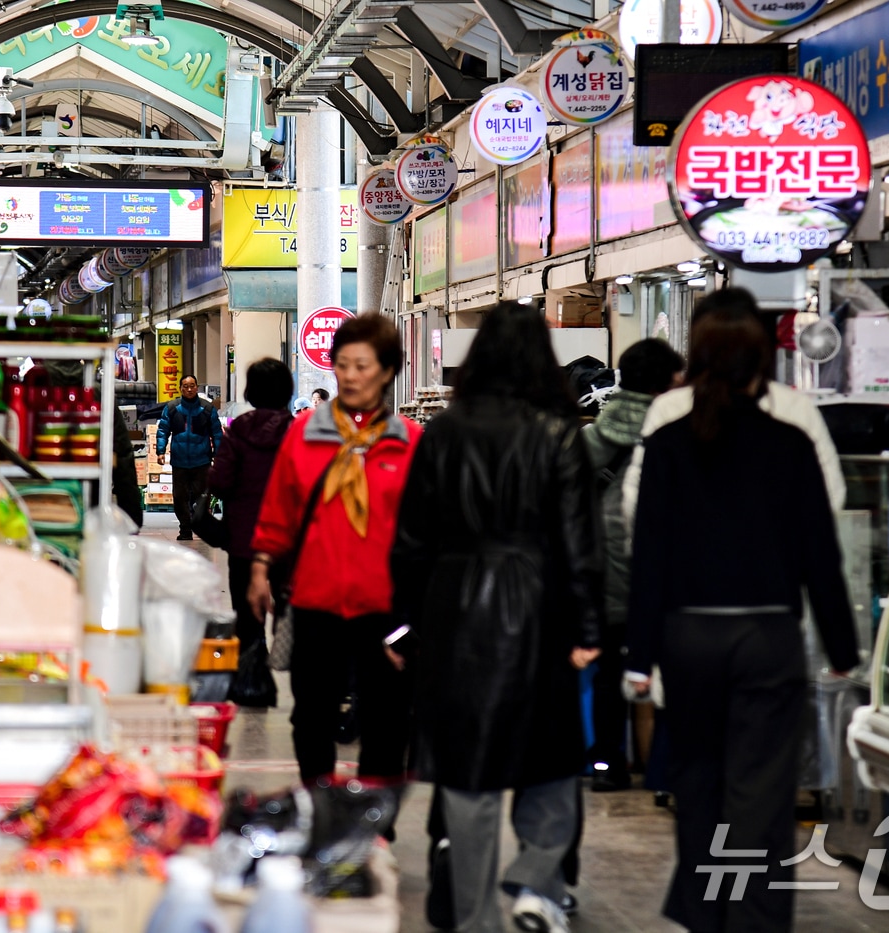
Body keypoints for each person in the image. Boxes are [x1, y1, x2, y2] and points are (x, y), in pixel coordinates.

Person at [624, 294, 858, 933]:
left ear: (694, 358)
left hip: (688, 636)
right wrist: (842, 650)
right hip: (767, 635)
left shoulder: (669, 436)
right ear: (764, 356)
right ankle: (754, 920)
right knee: (760, 791)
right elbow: (821, 551)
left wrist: (639, 656)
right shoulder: (790, 438)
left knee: (698, 784)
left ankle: (704, 915)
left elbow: (648, 551)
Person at [390, 302, 604, 933]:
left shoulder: (444, 432)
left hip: (455, 612)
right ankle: (536, 881)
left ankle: (475, 916)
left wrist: (402, 623)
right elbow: (579, 543)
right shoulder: (561, 431)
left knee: (469, 771)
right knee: (551, 760)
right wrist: (589, 629)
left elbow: (411, 538)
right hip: (541, 611)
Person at [249, 313, 421, 784]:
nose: (349, 375)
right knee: (311, 718)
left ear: (387, 371)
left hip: (384, 608)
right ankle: (319, 812)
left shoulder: (410, 444)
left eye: (362, 365)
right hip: (315, 602)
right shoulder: (304, 435)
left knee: (387, 721)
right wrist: (261, 567)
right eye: (342, 364)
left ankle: (373, 832)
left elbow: (427, 532)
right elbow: (279, 510)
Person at [622, 289, 846, 530]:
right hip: (774, 562)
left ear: (696, 348)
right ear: (760, 347)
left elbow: (637, 500)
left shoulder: (669, 409)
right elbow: (830, 496)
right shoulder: (795, 409)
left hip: (689, 562)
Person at [581, 339, 685, 792]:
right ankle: (661, 767)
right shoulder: (678, 430)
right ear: (668, 381)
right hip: (657, 567)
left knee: (605, 669)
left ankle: (608, 763)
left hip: (601, 564)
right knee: (665, 668)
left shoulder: (594, 432)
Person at [208, 358, 294, 703]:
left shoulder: (239, 429)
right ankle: (287, 664)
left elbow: (220, 481)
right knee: (287, 603)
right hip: (288, 539)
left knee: (247, 612)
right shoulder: (298, 430)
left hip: (244, 538)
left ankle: (251, 680)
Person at [157, 375, 223, 541]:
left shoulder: (207, 409)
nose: (189, 389)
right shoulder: (172, 408)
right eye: (185, 386)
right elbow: (163, 430)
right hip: (179, 461)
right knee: (179, 497)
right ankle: (185, 529)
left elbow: (217, 433)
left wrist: (219, 454)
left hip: (202, 461)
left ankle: (201, 526)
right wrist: (160, 451)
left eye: (192, 386)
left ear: (197, 387)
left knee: (201, 498)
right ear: (180, 388)